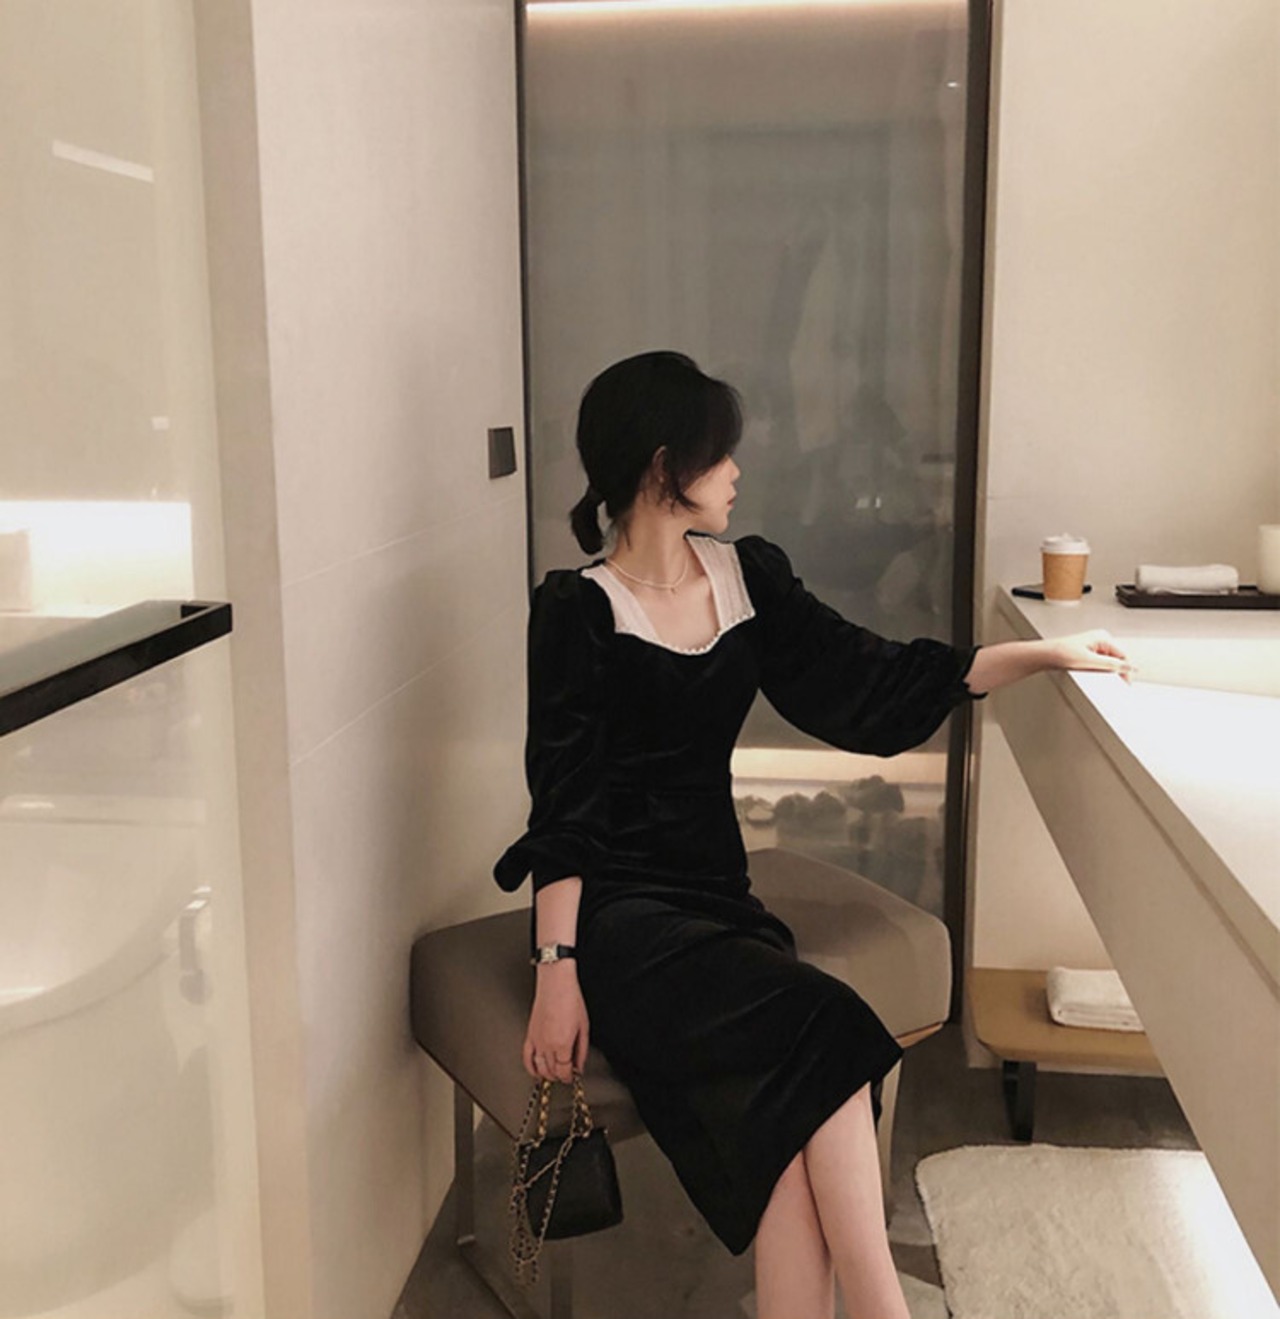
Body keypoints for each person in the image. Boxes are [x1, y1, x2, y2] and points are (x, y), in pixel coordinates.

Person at [494, 351, 1133, 1319]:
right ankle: (884, 1308)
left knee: (789, 1150)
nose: (737, 471)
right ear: (665, 468)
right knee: (832, 1029)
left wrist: (1038, 653)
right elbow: (565, 806)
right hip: (623, 925)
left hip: (718, 899)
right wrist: (556, 971)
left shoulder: (746, 577)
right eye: (720, 454)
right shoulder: (575, 613)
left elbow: (865, 680)